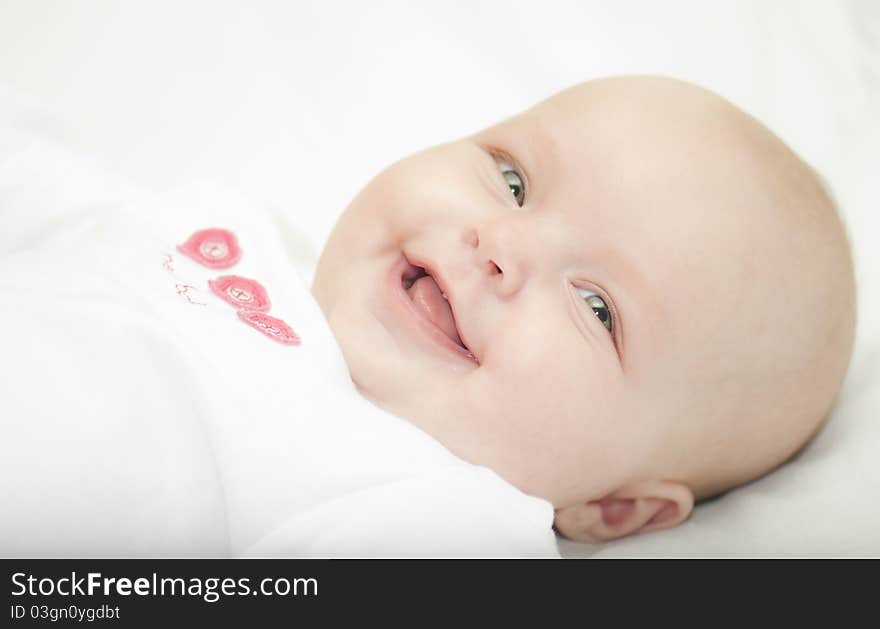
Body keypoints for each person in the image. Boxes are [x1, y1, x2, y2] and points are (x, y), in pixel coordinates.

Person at [310, 75, 857, 542]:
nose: (505, 244)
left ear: (610, 508)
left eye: (598, 309)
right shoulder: (243, 239)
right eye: (512, 180)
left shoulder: (415, 535)